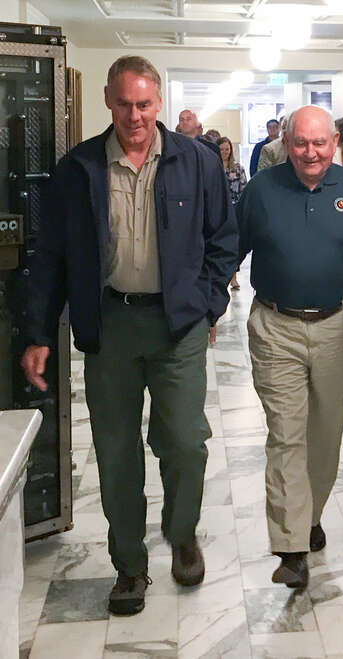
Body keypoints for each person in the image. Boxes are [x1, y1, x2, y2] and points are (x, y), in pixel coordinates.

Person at [21, 55, 238, 616]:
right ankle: (130, 567)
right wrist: (40, 330)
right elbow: (51, 257)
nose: (135, 115)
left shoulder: (196, 161)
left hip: (178, 327)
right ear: (107, 101)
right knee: (116, 452)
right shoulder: (79, 169)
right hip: (111, 325)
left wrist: (210, 302)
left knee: (185, 442)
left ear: (158, 102)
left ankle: (182, 532)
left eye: (144, 104)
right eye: (124, 103)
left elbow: (223, 239)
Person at [236, 105, 343, 590]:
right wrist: (207, 303)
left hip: (337, 326)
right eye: (300, 142)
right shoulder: (262, 189)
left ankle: (310, 515)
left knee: (325, 434)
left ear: (335, 144)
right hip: (275, 324)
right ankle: (291, 547)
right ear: (286, 143)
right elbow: (229, 249)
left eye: (320, 143)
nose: (310, 152)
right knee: (286, 433)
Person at [218, 136, 248, 290]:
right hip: (217, 210)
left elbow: (244, 189)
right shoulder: (213, 168)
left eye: (227, 149)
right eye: (221, 149)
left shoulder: (238, 168)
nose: (224, 152)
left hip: (234, 209)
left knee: (234, 245)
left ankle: (233, 277)